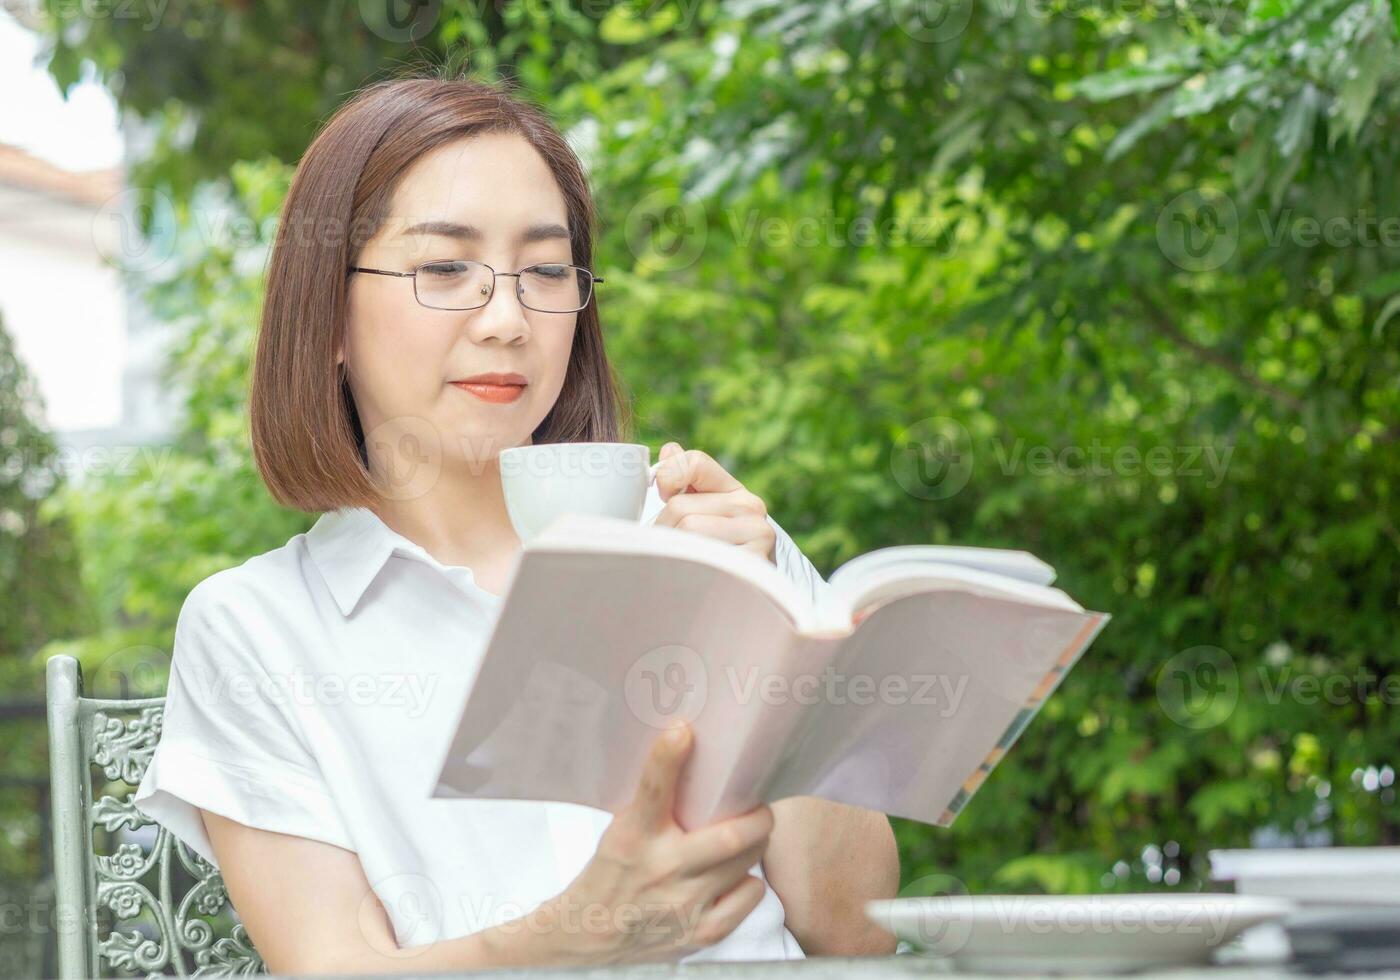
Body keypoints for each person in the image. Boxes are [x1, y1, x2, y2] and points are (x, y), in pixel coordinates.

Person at [132, 73, 899, 974]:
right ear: (328, 314)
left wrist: (760, 635)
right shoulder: (257, 626)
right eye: (445, 269)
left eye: (544, 271)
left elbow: (860, 933)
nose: (507, 320)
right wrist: (571, 935)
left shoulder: (708, 537)